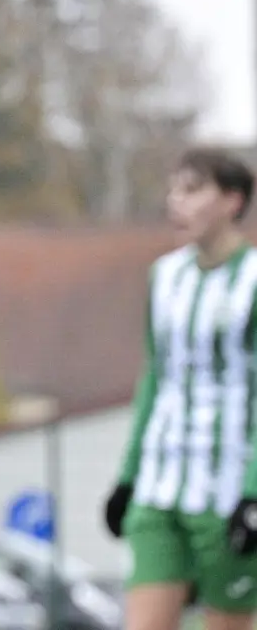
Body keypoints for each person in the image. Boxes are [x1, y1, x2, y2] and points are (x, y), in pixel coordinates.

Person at [105, 147, 257, 630]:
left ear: (232, 200)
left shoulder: (253, 280)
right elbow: (156, 376)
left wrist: (254, 492)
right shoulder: (165, 277)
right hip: (161, 483)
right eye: (173, 191)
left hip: (228, 490)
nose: (176, 203)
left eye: (192, 190)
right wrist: (128, 476)